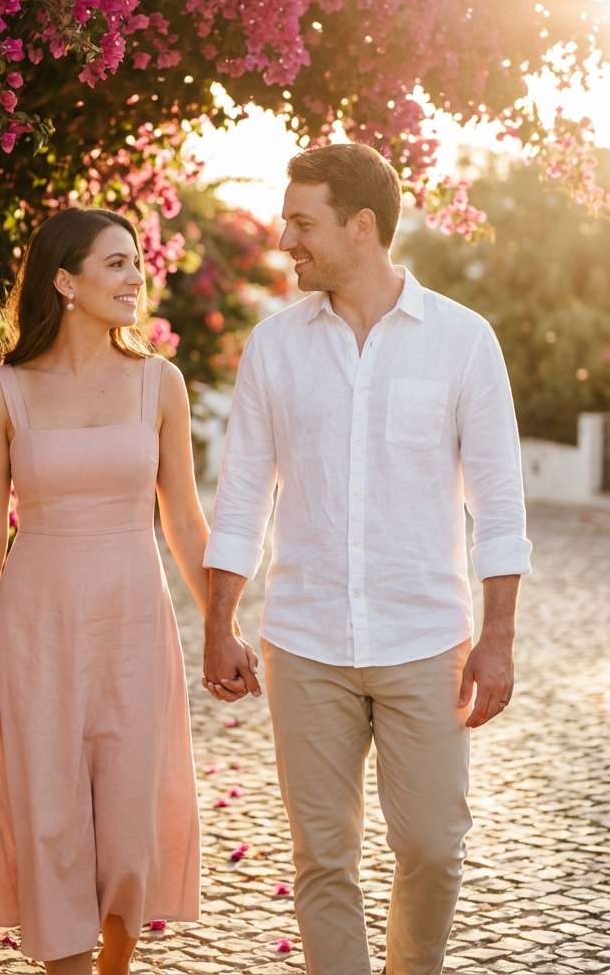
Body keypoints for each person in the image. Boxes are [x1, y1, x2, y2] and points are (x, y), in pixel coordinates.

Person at [202, 143, 532, 975]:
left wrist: (499, 638)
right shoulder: (275, 347)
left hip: (425, 640)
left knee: (432, 845)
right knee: (323, 859)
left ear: (361, 225)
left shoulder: (462, 340)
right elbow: (242, 493)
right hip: (305, 642)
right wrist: (219, 620)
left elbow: (498, 501)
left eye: (303, 222)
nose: (286, 239)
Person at [0, 207, 237, 975]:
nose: (134, 277)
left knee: (126, 822)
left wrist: (223, 623)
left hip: (133, 627)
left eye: (135, 262)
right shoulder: (3, 392)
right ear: (64, 281)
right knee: (50, 819)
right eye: (115, 263)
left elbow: (183, 518)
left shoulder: (160, 382)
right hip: (36, 630)